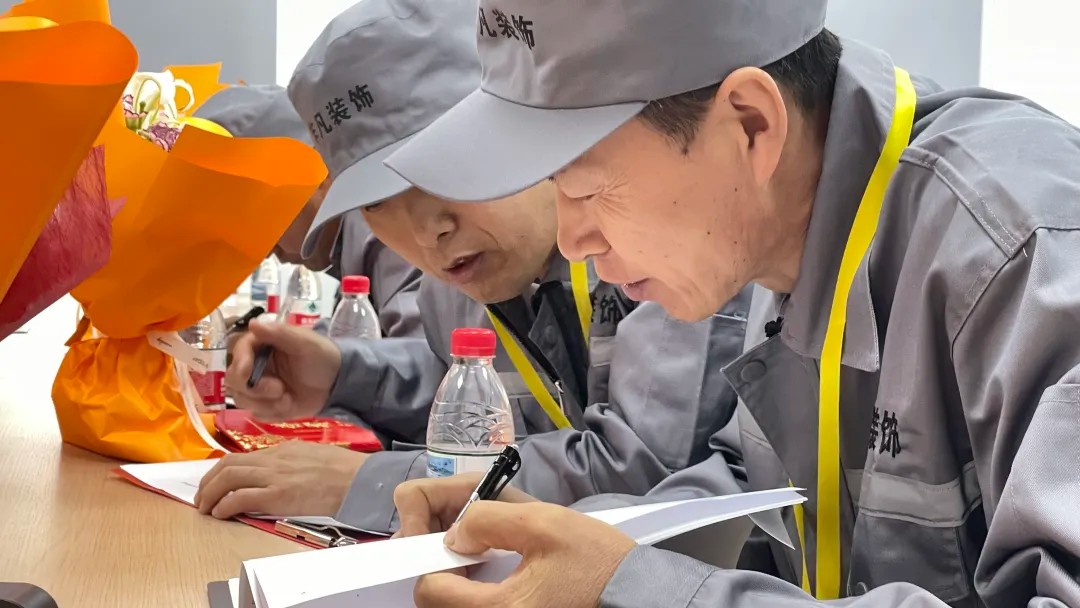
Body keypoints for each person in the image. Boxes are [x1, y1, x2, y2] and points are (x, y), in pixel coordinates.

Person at [381, 0, 1080, 606]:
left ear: (750, 124)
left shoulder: (1019, 248)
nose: (572, 241)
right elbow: (757, 482)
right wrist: (562, 535)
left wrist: (635, 589)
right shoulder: (783, 235)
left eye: (586, 188)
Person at [194, 0, 751, 536]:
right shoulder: (455, 286)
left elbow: (644, 468)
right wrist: (344, 373)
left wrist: (376, 484)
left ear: (523, 117)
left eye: (445, 162)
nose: (425, 232)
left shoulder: (658, 242)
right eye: (377, 202)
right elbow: (476, 402)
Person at [194, 84, 423, 339]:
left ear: (319, 171)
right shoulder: (351, 247)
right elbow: (358, 339)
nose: (264, 252)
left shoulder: (385, 232)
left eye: (259, 222)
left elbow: (430, 353)